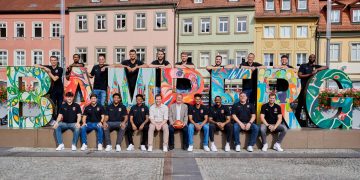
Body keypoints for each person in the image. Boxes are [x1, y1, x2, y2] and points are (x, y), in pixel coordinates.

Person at [295, 54, 328, 126]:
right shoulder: (303, 66)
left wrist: (317, 69)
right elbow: (300, 75)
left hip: (312, 91)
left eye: (313, 57)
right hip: (303, 89)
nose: (312, 58)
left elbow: (326, 67)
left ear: (315, 58)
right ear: (308, 58)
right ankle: (296, 121)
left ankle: (311, 122)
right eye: (310, 57)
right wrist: (310, 74)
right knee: (300, 105)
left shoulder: (316, 66)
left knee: (311, 106)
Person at [35, 56, 64, 123]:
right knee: (52, 105)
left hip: (59, 90)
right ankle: (53, 119)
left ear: (57, 61)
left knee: (60, 106)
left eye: (54, 60)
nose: (53, 61)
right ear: (50, 61)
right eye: (52, 60)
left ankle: (58, 120)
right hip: (52, 90)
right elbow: (35, 65)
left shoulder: (60, 69)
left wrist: (49, 72)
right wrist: (44, 67)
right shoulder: (48, 67)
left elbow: (55, 78)